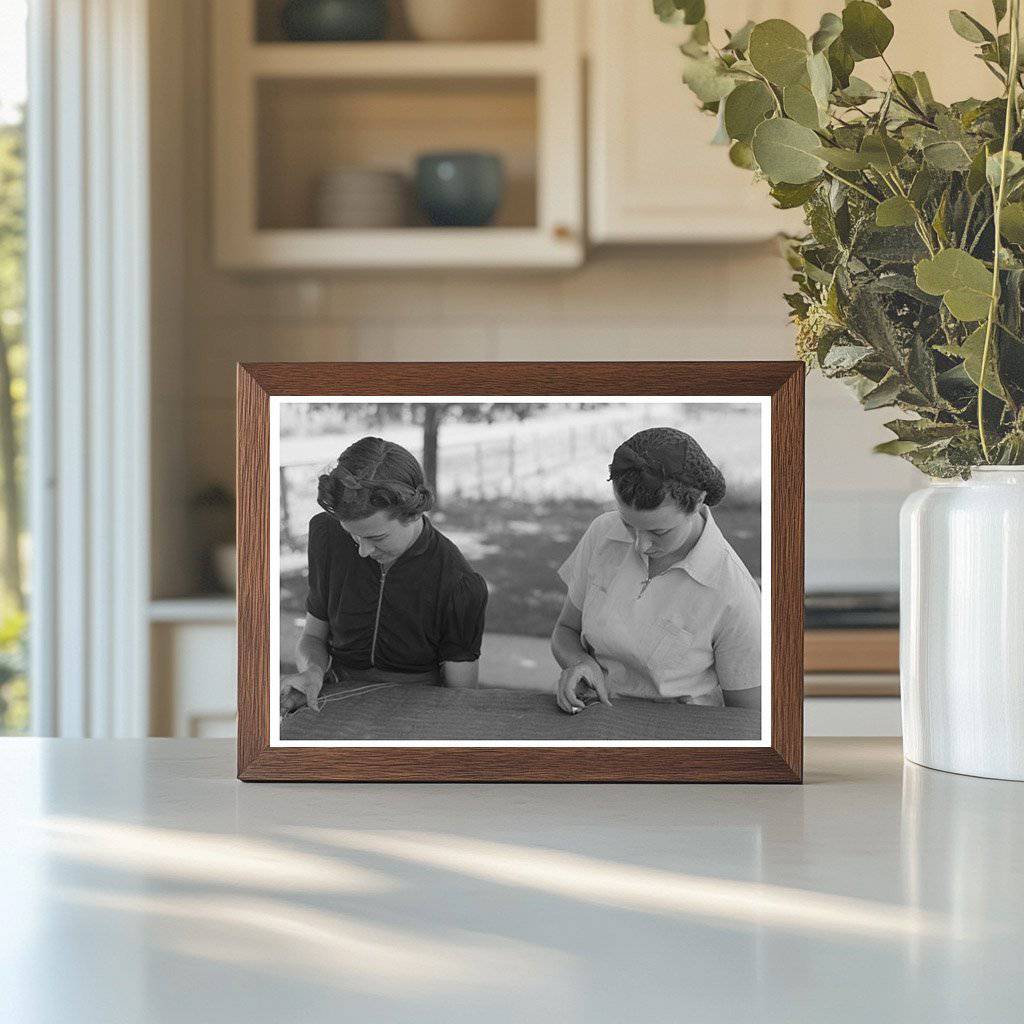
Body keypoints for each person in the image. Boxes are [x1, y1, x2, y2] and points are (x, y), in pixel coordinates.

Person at [551, 427, 761, 714]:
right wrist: (580, 662)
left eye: (658, 532)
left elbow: (749, 718)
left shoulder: (734, 594)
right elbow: (565, 630)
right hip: (592, 719)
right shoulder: (601, 532)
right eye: (628, 524)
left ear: (698, 502)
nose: (640, 544)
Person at [280, 436, 488, 713]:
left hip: (415, 710)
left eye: (377, 537)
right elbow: (313, 637)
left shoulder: (458, 583)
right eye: (353, 535)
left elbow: (460, 698)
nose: (363, 550)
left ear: (413, 514)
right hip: (334, 696)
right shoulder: (326, 536)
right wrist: (312, 671)